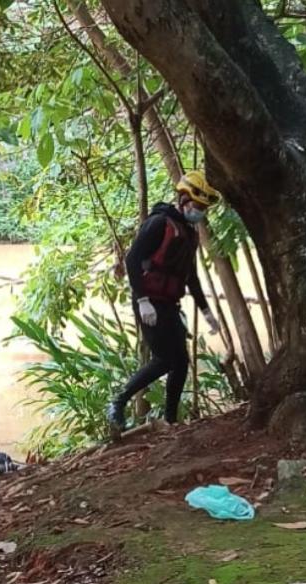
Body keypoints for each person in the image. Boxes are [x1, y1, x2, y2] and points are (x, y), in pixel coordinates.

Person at [107, 170, 222, 433]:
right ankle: (118, 402)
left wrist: (206, 311)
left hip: (169, 304)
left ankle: (171, 421)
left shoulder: (189, 234)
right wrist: (143, 300)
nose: (200, 211)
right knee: (163, 359)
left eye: (204, 208)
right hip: (149, 304)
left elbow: (190, 276)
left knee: (181, 362)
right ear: (183, 199)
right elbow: (132, 260)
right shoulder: (159, 223)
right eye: (197, 205)